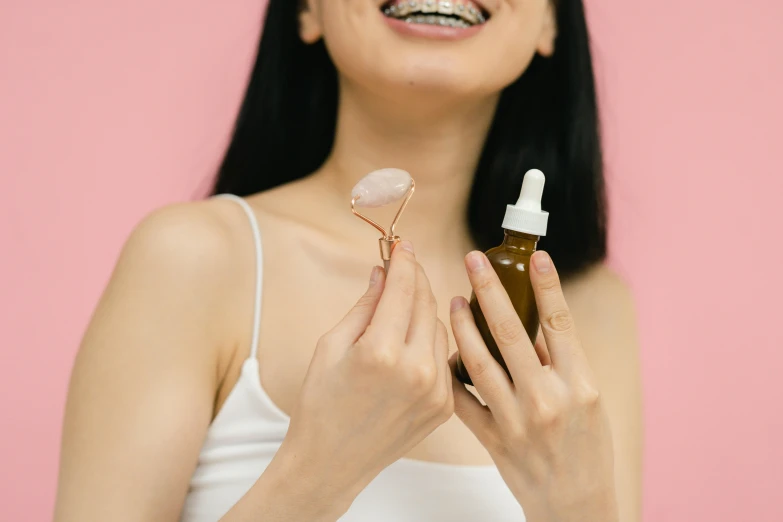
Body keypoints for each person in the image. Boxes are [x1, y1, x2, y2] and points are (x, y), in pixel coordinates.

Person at [54, 0, 642, 520]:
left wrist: (581, 508)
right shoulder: (192, 259)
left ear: (550, 20)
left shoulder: (590, 306)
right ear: (306, 10)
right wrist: (321, 469)